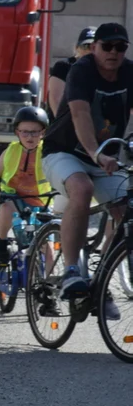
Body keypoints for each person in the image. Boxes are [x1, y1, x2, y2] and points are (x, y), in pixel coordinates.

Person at [41, 22, 132, 301]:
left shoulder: (130, 72)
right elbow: (80, 114)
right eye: (107, 46)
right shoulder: (82, 70)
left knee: (127, 208)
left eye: (120, 47)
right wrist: (96, 153)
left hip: (106, 159)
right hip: (64, 152)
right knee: (82, 189)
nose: (113, 52)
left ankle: (101, 277)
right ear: (93, 48)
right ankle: (71, 271)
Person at [0, 106, 50, 264]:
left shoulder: (48, 153)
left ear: (43, 133)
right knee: (6, 210)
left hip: (41, 200)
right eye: (25, 132)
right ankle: (1, 242)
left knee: (47, 243)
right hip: (13, 197)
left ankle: (48, 280)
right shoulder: (11, 151)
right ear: (17, 132)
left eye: (35, 132)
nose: (30, 137)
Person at [47, 27, 95, 116]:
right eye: (86, 46)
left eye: (95, 47)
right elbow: (56, 101)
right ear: (77, 48)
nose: (90, 51)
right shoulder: (64, 67)